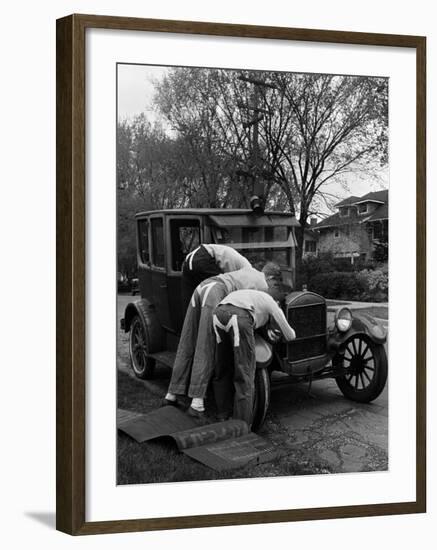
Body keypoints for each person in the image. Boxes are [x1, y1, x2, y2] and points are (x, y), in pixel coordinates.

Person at [164, 263, 282, 418]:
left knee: (188, 340)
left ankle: (171, 395)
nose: (272, 286)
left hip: (202, 287)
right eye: (275, 283)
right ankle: (197, 404)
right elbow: (253, 306)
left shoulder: (248, 271)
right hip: (215, 291)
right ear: (270, 277)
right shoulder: (261, 282)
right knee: (206, 345)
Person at [212, 288, 296, 426]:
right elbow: (290, 335)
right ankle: (241, 424)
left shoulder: (254, 295)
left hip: (218, 313)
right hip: (239, 317)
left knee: (222, 367)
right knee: (245, 374)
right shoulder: (272, 304)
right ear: (278, 302)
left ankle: (222, 415)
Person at [181, 244, 251, 313]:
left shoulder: (242, 266)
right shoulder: (248, 272)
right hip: (203, 257)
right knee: (218, 295)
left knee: (190, 302)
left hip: (190, 259)